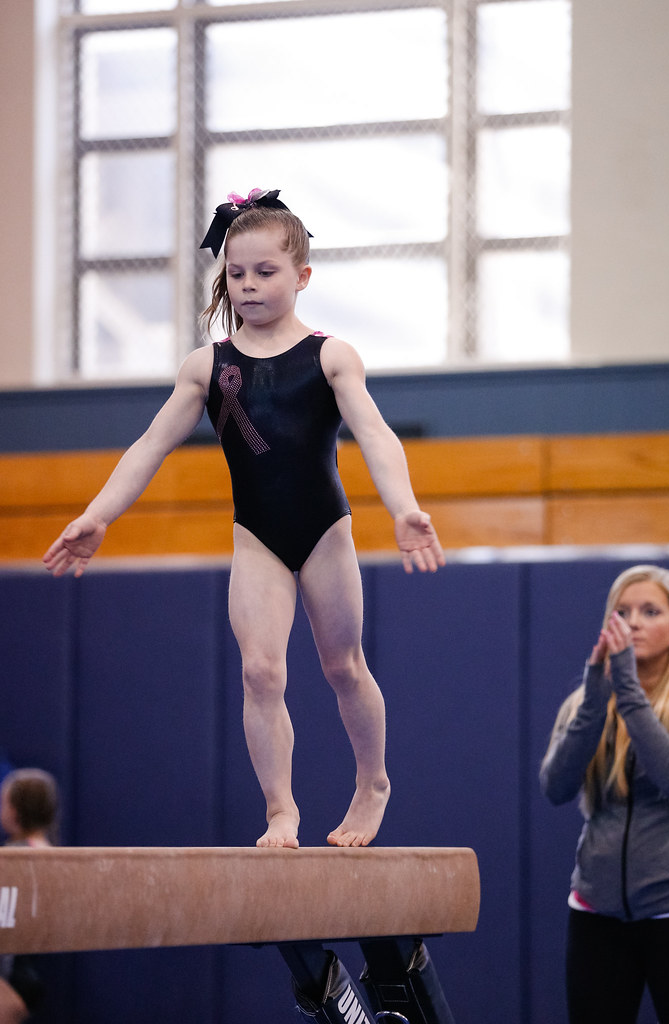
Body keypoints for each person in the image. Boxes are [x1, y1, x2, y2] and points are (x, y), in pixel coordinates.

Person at [43, 188, 445, 850]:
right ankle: (280, 809)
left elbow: (374, 433)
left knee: (342, 666)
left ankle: (372, 782)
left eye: (265, 272)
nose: (249, 286)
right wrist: (97, 516)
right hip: (256, 537)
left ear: (301, 276)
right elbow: (149, 445)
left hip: (324, 533)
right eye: (236, 273)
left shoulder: (330, 355)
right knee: (260, 671)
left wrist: (404, 508)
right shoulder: (208, 367)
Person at [540, 564, 669, 1024]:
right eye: (622, 611)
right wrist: (595, 700)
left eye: (650, 610)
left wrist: (627, 690)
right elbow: (556, 787)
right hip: (595, 910)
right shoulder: (590, 702)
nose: (634, 621)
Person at [0, 768, 60, 1023]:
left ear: (13, 811)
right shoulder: (54, 855)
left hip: (8, 976)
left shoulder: (14, 856)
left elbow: (4, 922)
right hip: (28, 976)